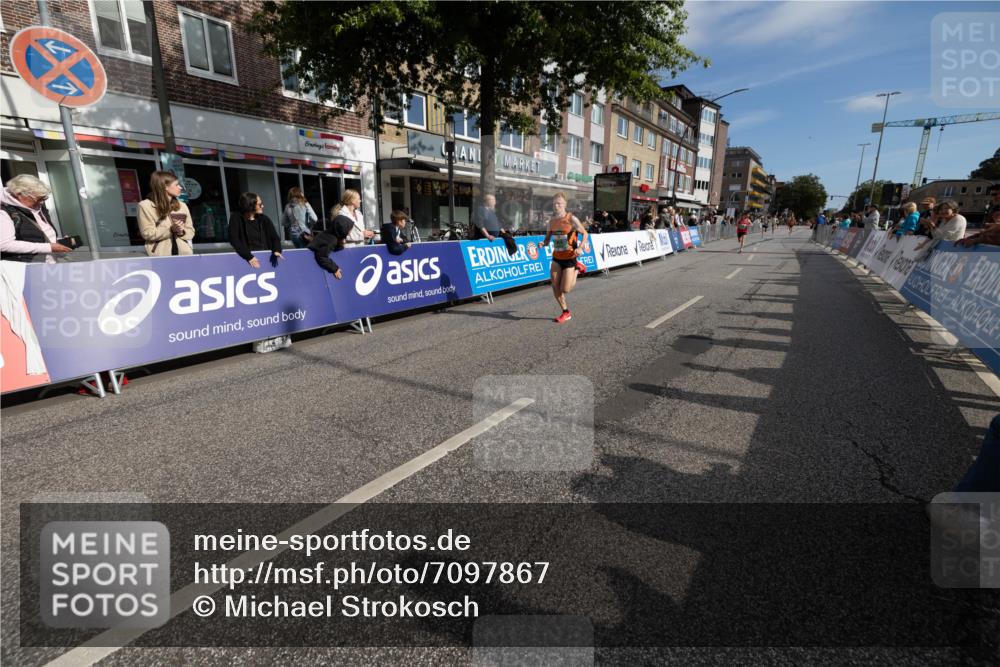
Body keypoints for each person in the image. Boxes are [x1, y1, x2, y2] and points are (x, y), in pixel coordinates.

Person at [0, 174, 72, 263]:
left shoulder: (38, 207)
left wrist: (57, 242)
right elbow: (4, 244)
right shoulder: (4, 212)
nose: (41, 202)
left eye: (43, 198)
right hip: (24, 266)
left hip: (48, 263)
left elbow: (37, 235)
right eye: (37, 199)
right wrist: (49, 247)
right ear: (19, 195)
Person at [541, 192, 589, 324]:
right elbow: (547, 240)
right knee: (554, 285)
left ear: (565, 204)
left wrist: (580, 247)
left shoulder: (571, 219)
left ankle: (577, 269)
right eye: (554, 204)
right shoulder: (551, 222)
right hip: (557, 257)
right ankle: (565, 312)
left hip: (570, 257)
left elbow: (585, 234)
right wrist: (543, 243)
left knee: (565, 289)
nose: (556, 206)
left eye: (559, 203)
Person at [137, 171, 195, 257]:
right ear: (165, 186)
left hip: (184, 254)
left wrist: (181, 232)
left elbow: (191, 232)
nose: (180, 187)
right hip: (160, 256)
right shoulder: (145, 206)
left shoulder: (182, 206)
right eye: (176, 185)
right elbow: (147, 233)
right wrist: (170, 230)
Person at [229, 192, 282, 269]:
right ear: (250, 205)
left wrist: (277, 250)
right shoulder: (236, 218)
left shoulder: (264, 219)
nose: (262, 206)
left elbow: (275, 238)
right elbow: (234, 240)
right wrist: (249, 257)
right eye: (260, 204)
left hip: (265, 259)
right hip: (247, 261)